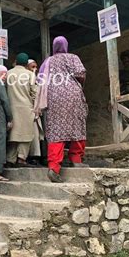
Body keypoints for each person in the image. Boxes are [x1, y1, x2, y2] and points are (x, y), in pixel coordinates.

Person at [36, 36, 88, 183]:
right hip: (73, 96)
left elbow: (39, 80)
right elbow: (81, 74)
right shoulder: (72, 57)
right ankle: (76, 159)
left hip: (53, 98)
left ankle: (54, 167)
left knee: (56, 131)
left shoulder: (48, 62)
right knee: (77, 125)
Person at [6, 53, 37, 167]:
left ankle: (10, 159)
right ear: (25, 64)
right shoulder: (30, 74)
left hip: (11, 108)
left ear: (16, 61)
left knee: (13, 134)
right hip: (26, 108)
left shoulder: (8, 74)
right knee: (26, 135)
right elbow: (34, 92)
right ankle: (21, 158)